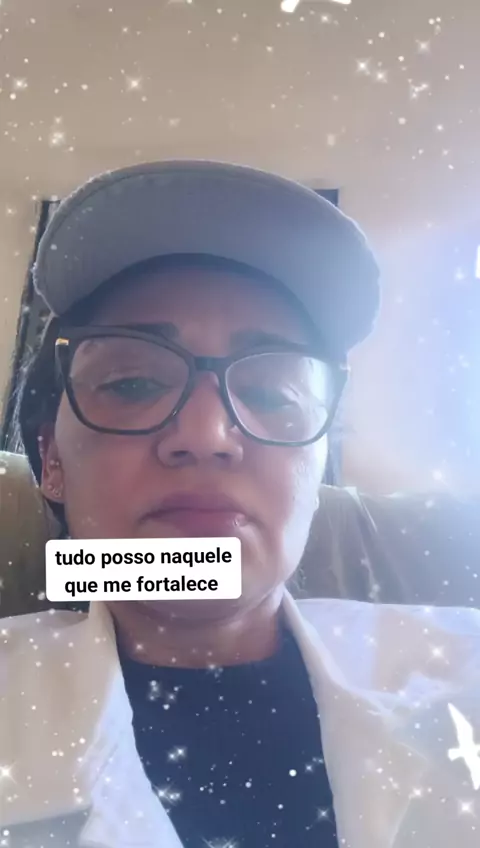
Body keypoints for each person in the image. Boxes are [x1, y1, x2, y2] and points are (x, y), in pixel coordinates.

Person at [1, 160, 479, 848]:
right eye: (133, 384)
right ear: (51, 460)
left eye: (272, 393)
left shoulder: (461, 666)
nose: (204, 436)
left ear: (316, 465)